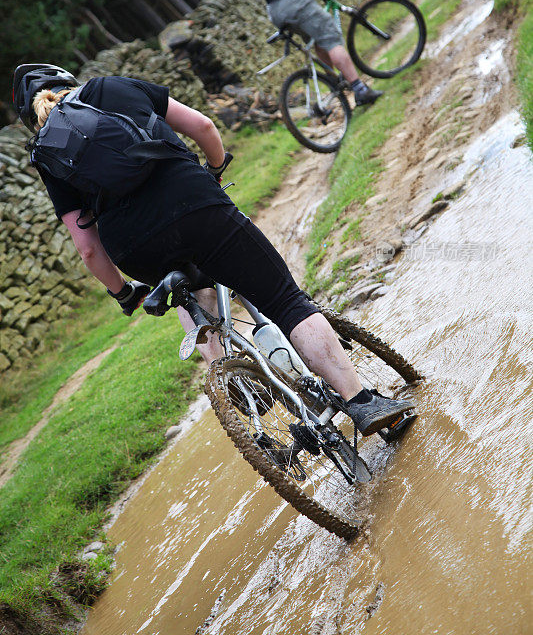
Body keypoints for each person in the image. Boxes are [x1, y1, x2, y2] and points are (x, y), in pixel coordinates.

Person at [13, 64, 413, 436]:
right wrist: (216, 170)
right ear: (65, 79)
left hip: (134, 248)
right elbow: (202, 126)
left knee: (187, 289)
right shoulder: (109, 87)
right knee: (285, 301)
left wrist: (122, 293)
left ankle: (231, 377)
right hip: (194, 204)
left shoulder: (44, 152)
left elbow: (87, 247)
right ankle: (361, 402)